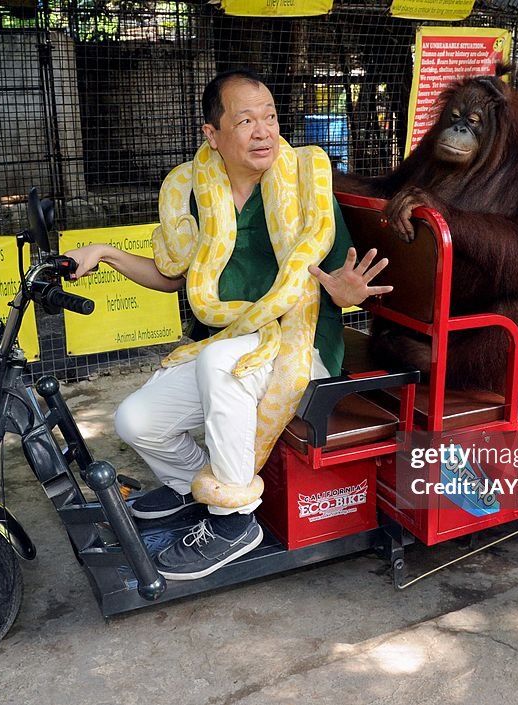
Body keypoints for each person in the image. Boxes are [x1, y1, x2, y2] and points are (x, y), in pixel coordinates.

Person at [64, 69, 391, 581]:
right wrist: (105, 253)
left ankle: (234, 518)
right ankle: (190, 488)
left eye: (271, 118)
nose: (264, 132)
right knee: (136, 421)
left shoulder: (305, 180)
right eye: (245, 121)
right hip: (233, 343)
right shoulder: (194, 190)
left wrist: (345, 296)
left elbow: (335, 273)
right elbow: (174, 277)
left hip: (299, 346)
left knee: (220, 360)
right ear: (212, 135)